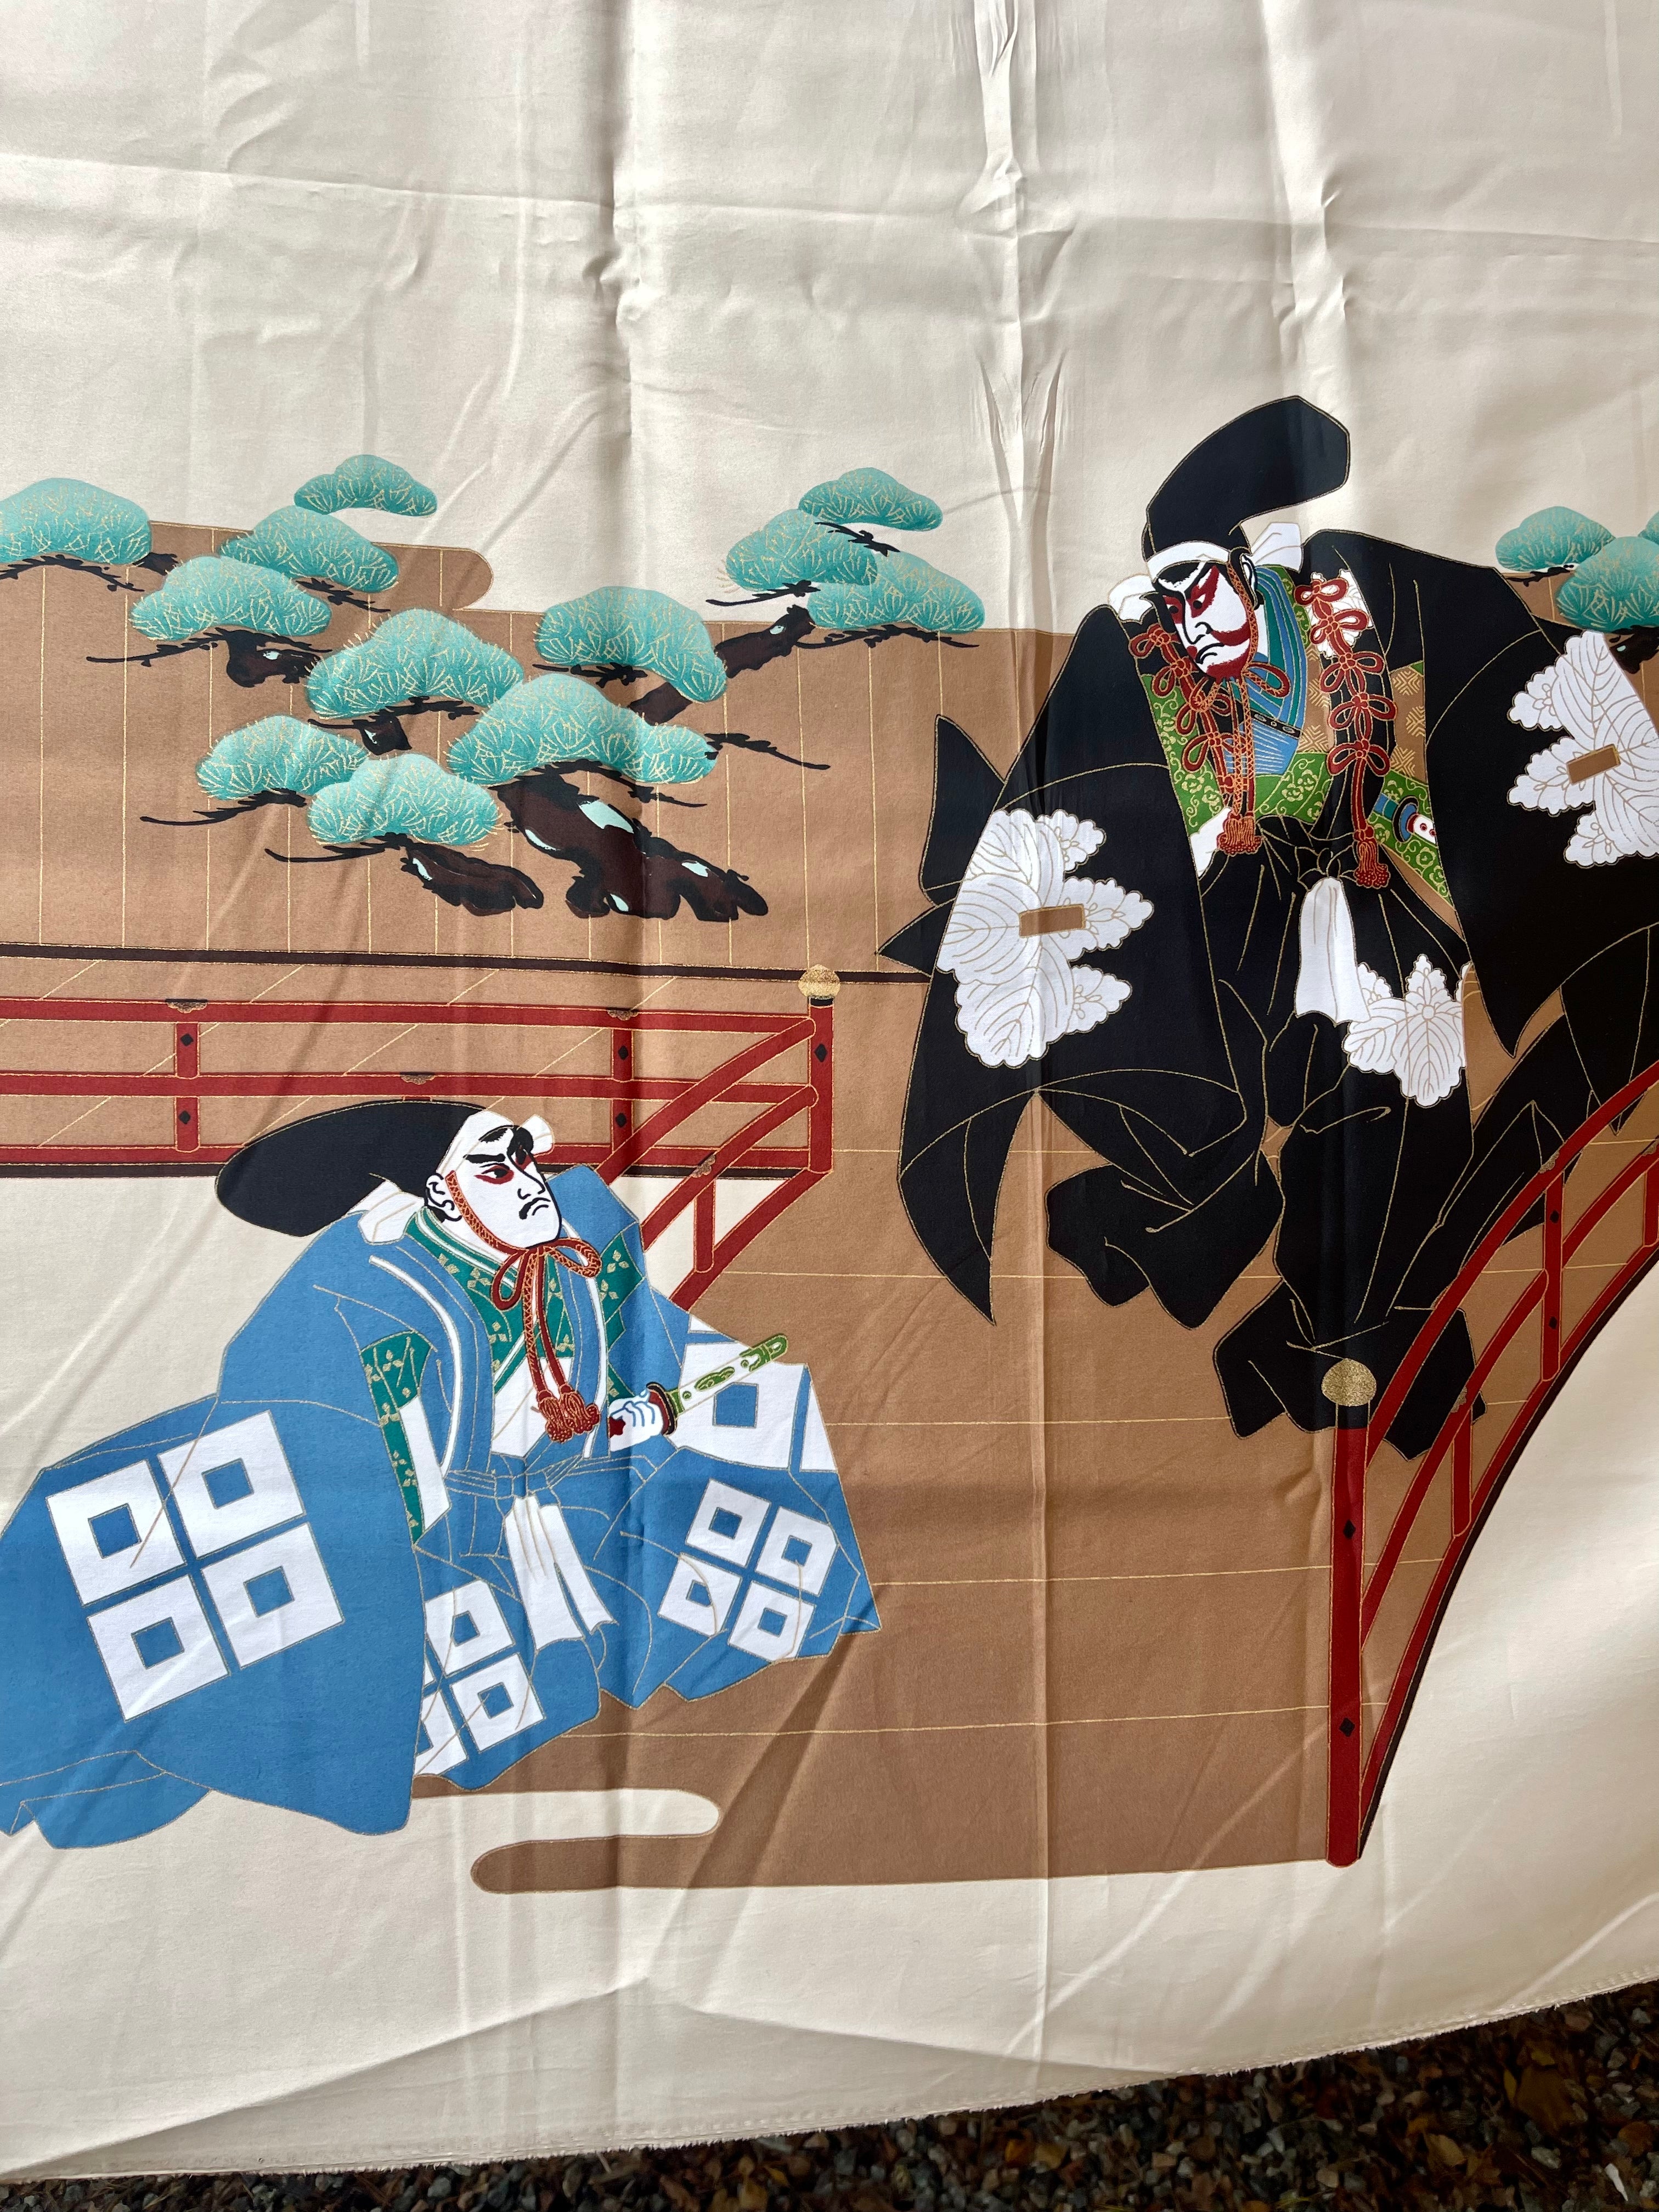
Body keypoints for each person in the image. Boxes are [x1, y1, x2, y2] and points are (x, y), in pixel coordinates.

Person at [889, 396, 1659, 1453]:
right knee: (1218, 1123)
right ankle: (1208, 1228)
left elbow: (1481, 683)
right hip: (1226, 927)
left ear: (1250, 565)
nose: (1195, 620)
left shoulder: (1346, 600)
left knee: (1411, 1101)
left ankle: (1346, 1337)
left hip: (1375, 898)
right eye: (1172, 600)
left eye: (1207, 585)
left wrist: (1483, 830)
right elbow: (1074, 808)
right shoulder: (1137, 657)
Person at [0, 1101, 876, 1850]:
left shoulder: (576, 1247)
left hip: (562, 1492)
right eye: (495, 1169)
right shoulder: (361, 1297)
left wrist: (636, 1413)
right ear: (439, 1198)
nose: (529, 1182)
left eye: (526, 1160)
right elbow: (349, 1454)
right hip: (426, 1530)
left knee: (759, 1446)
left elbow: (635, 1349)